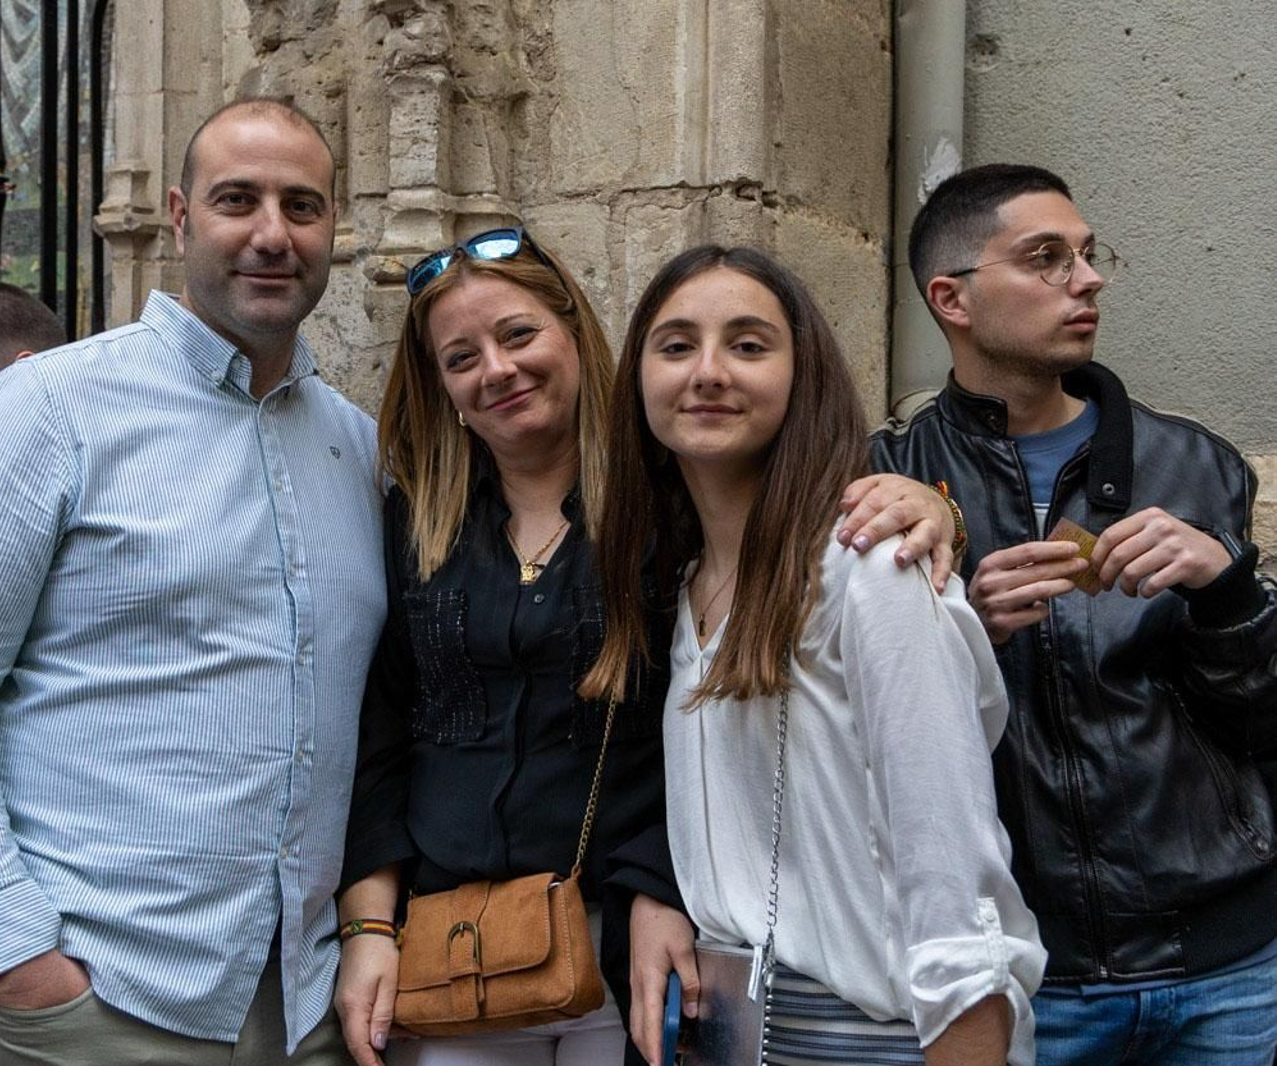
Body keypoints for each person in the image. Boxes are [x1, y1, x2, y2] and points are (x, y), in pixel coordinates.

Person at [334, 229, 967, 1066]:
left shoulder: (670, 498)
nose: (497, 368)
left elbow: (805, 505)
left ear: (575, 336)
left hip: (628, 936)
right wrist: (369, 926)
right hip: (457, 946)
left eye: (519, 334)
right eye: (461, 357)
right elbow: (381, 732)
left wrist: (939, 506)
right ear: (441, 386)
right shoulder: (417, 520)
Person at [0, 99, 381, 1066]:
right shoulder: (50, 408)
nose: (273, 233)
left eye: (302, 206)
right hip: (91, 999)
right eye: (239, 200)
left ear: (332, 229)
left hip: (297, 1003)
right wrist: (13, 950)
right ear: (180, 218)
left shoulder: (354, 445)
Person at [587, 246, 1045, 1065]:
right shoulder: (683, 586)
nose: (710, 371)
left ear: (804, 377)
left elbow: (956, 890)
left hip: (875, 1041)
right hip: (737, 1037)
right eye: (677, 344)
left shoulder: (871, 568)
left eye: (750, 345)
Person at [871, 163, 1277, 1066]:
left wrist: (1229, 593)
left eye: (1090, 256)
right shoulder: (883, 482)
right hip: (1026, 975)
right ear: (953, 298)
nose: (1087, 280)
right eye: (1047, 259)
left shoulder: (1197, 467)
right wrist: (963, 638)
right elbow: (855, 746)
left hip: (1229, 966)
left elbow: (1260, 723)